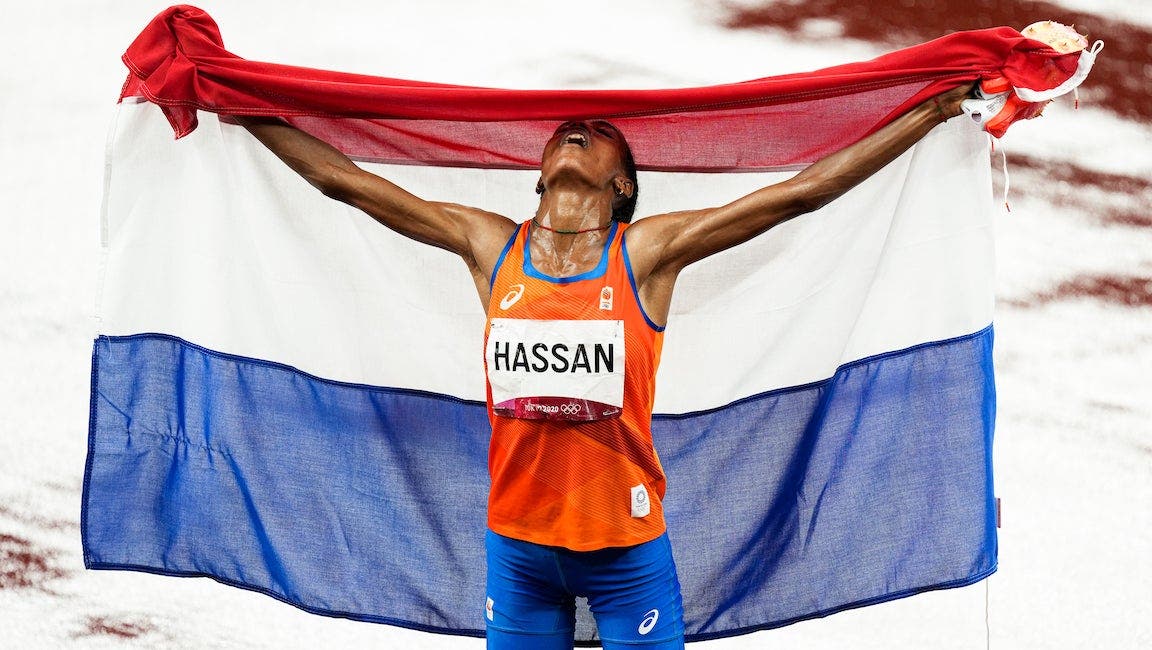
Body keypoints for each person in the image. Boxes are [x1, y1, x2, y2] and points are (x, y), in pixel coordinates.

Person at [234, 82, 972, 649]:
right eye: (563, 133)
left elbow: (802, 193)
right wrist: (237, 104)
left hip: (625, 552)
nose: (575, 132)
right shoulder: (492, 246)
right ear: (539, 174)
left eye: (600, 137)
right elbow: (346, 183)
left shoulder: (644, 255)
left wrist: (935, 109)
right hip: (518, 551)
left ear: (622, 186)